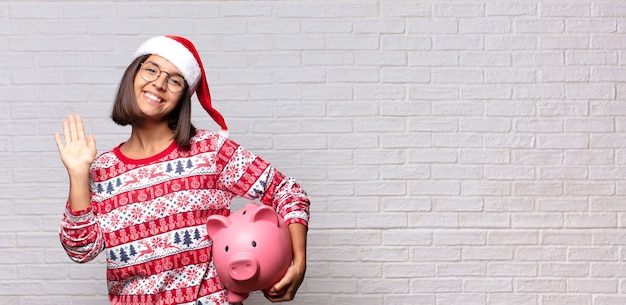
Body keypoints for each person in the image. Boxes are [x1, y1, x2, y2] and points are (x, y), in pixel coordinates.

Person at [55, 35, 310, 305]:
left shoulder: (210, 151)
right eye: (151, 69)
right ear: (133, 75)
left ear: (183, 97)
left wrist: (298, 262)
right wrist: (78, 174)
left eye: (175, 80)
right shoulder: (103, 169)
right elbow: (81, 249)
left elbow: (288, 192)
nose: (159, 83)